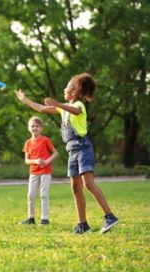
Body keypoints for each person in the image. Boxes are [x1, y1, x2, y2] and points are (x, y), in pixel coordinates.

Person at [15, 73, 119, 234]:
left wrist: (57, 103)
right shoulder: (62, 108)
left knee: (88, 184)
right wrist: (25, 100)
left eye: (67, 86)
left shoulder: (79, 105)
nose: (64, 88)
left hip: (83, 148)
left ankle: (110, 216)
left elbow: (75, 111)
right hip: (71, 151)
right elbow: (42, 109)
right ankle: (83, 224)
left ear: (75, 90)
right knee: (76, 188)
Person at [21, 116, 58, 225]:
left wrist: (47, 161)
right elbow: (27, 160)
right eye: (32, 126)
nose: (35, 128)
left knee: (44, 194)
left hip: (46, 171)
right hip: (33, 172)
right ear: (29, 128)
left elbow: (55, 153)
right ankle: (31, 217)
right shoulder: (28, 143)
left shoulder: (45, 140)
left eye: (37, 126)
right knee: (31, 195)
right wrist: (35, 161)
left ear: (41, 128)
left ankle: (44, 219)